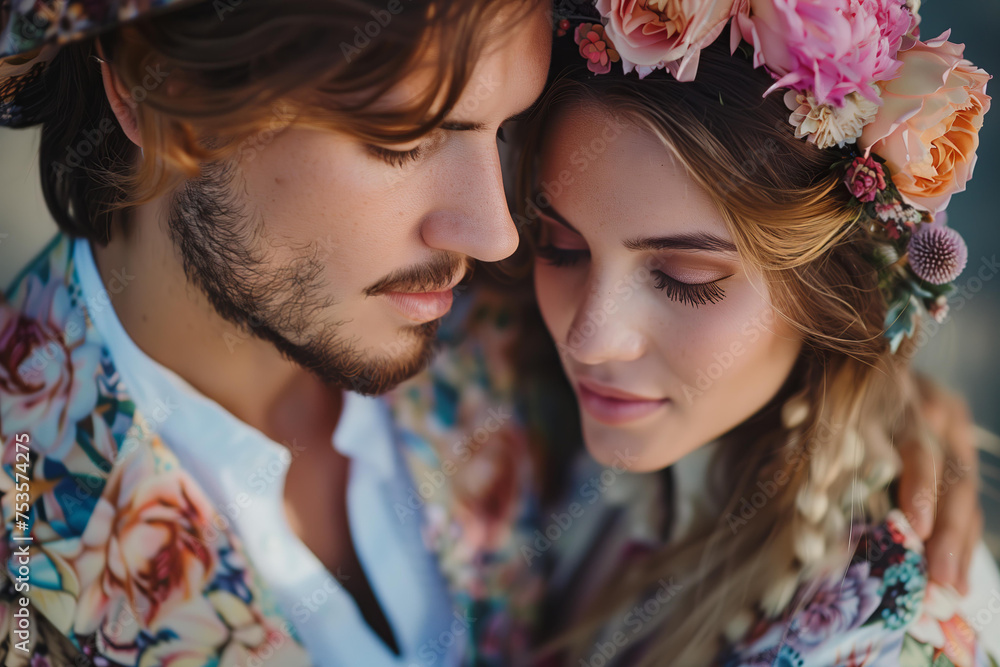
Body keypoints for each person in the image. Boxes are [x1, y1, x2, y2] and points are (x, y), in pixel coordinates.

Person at [0, 0, 987, 664]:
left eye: (505, 130)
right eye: (406, 138)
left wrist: (854, 399)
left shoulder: (520, 308)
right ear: (148, 91)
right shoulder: (23, 554)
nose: (495, 231)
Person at [516, 1, 999, 665]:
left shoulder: (880, 637)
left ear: (834, 293)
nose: (589, 338)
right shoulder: (529, 402)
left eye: (686, 278)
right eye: (560, 245)